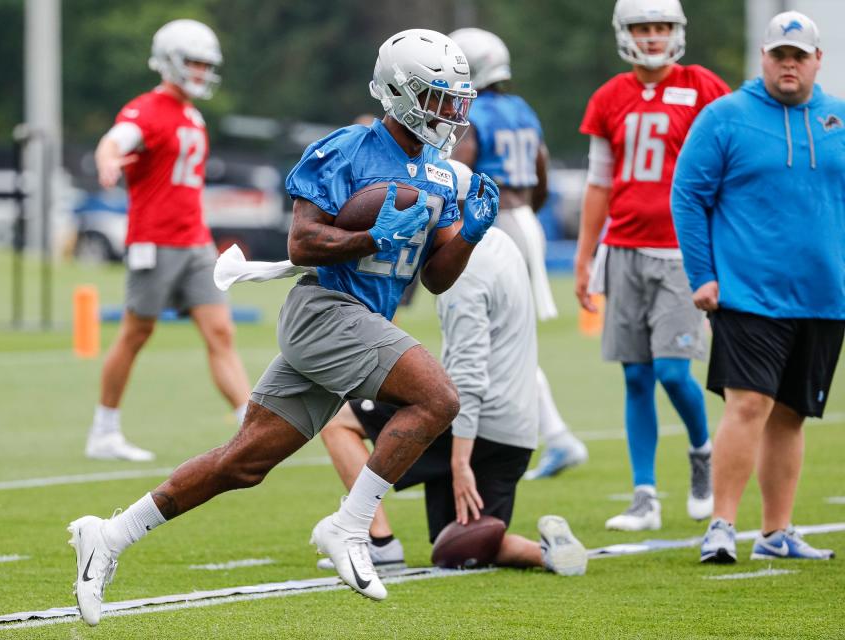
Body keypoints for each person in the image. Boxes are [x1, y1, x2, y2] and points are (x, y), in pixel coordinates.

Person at [67, 28, 500, 626]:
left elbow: (437, 279)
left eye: (455, 98)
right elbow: (303, 240)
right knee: (437, 397)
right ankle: (349, 527)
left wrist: (471, 234)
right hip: (325, 312)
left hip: (363, 322)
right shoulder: (346, 150)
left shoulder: (443, 173)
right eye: (436, 97)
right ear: (400, 93)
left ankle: (109, 535)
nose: (450, 112)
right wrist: (371, 237)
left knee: (241, 463)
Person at [318, 160, 587, 576]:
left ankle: (378, 541)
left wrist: (460, 461)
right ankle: (546, 553)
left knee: (340, 422)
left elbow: (468, 372)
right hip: (516, 431)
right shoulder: (500, 243)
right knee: (457, 545)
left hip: (476, 427)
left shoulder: (465, 269)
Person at [672, 11, 843, 564]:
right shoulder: (725, 117)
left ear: (818, 60)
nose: (788, 65)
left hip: (824, 296)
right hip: (748, 293)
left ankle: (777, 532)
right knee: (749, 404)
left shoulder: (838, 118)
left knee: (792, 414)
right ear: (764, 59)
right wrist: (703, 275)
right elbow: (688, 197)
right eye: (779, 55)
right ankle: (721, 525)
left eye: (799, 56)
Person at [574, 0, 730, 531]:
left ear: (677, 31)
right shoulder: (609, 97)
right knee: (636, 377)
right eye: (644, 27)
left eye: (663, 26)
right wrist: (584, 256)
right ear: (625, 33)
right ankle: (645, 495)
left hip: (681, 252)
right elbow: (598, 183)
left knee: (671, 370)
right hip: (623, 248)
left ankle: (702, 451)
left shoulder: (704, 86)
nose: (654, 36)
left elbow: (729, 165)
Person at [85, 19, 251, 461]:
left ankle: (249, 425)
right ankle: (104, 429)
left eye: (205, 64)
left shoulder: (193, 114)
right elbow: (115, 140)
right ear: (170, 61)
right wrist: (108, 159)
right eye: (194, 63)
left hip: (196, 241)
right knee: (136, 333)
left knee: (220, 331)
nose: (200, 72)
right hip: (155, 242)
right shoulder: (146, 109)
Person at [448, 27, 588, 481]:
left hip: (494, 223)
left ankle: (556, 435)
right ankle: (557, 435)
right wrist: (529, 213)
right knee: (509, 339)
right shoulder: (522, 108)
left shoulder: (473, 115)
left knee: (496, 342)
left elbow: (459, 169)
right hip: (526, 219)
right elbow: (542, 168)